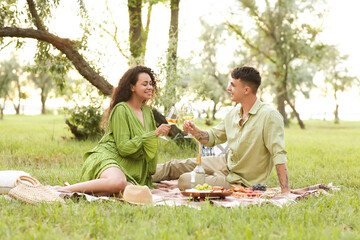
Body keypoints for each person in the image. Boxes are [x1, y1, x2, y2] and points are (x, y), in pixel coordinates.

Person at [152, 66, 291, 194]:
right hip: (224, 163)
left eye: (233, 85)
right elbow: (212, 138)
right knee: (175, 165)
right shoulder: (234, 112)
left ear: (246, 90)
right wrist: (195, 131)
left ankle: (213, 180)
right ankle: (134, 177)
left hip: (240, 181)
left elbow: (278, 154)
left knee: (185, 180)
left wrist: (286, 192)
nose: (228, 88)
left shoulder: (269, 116)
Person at [56, 66, 171, 196]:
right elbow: (123, 148)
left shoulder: (147, 112)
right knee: (118, 183)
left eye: (151, 84)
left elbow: (148, 148)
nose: (150, 87)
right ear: (132, 87)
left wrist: (148, 178)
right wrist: (154, 133)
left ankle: (91, 189)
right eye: (145, 84)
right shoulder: (121, 109)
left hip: (130, 167)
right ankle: (62, 190)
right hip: (108, 158)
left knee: (132, 192)